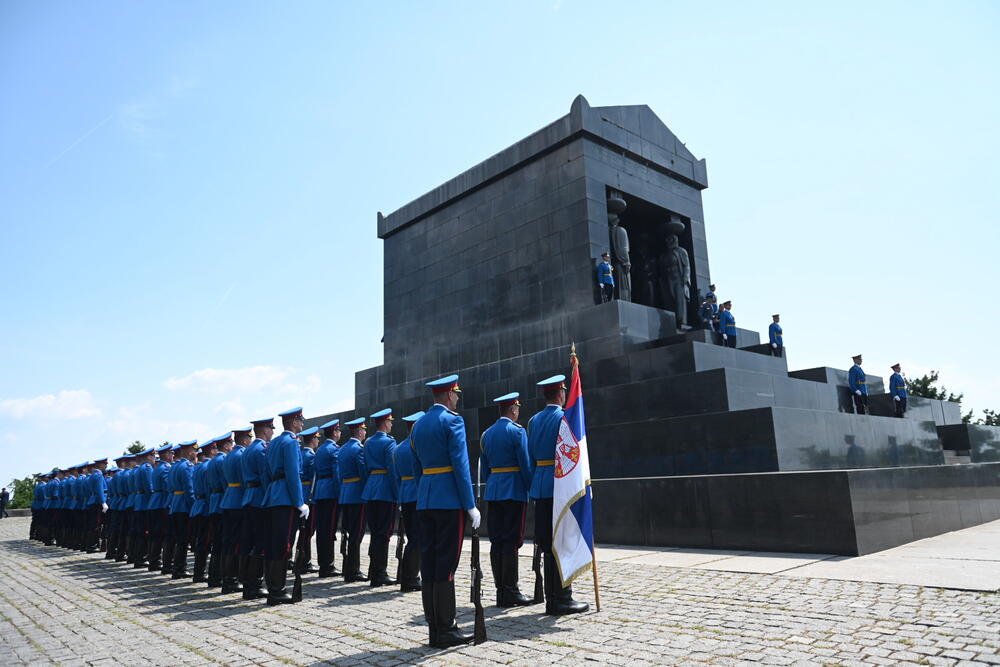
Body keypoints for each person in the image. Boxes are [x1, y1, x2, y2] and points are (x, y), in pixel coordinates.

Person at [409, 374, 479, 648]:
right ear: (449, 395)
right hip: (449, 500)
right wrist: (470, 504)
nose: (458, 399)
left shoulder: (417, 427)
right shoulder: (453, 421)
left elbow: (416, 468)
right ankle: (447, 627)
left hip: (425, 500)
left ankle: (434, 627)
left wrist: (424, 492)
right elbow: (461, 466)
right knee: (447, 565)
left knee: (429, 564)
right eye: (456, 394)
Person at [528, 374, 589, 616]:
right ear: (561, 394)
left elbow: (531, 453)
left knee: (547, 544)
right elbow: (569, 455)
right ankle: (562, 598)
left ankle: (551, 597)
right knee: (560, 542)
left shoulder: (533, 421)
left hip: (540, 485)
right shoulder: (564, 418)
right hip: (559, 485)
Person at [480, 392, 533, 608]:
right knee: (512, 541)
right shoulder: (517, 432)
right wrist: (531, 489)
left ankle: (501, 589)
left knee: (498, 541)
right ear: (513, 410)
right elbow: (525, 464)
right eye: (517, 409)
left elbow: (485, 468)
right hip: (514, 490)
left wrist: (491, 485)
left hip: (494, 490)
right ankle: (510, 591)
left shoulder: (487, 435)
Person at [262, 407, 309, 605]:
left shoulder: (274, 443)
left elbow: (266, 473)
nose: (303, 423)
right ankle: (277, 590)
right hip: (285, 498)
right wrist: (299, 502)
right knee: (283, 545)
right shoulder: (291, 443)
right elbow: (292, 475)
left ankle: (273, 587)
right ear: (294, 423)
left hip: (273, 495)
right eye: (301, 420)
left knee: (273, 544)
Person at [363, 408, 398, 587]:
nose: (392, 424)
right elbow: (392, 470)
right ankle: (380, 573)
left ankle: (373, 569)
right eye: (390, 421)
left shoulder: (368, 442)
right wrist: (397, 493)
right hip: (385, 489)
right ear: (385, 423)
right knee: (384, 534)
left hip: (371, 488)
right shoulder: (389, 443)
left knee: (375, 532)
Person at [240, 418, 274, 600]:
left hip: (249, 497)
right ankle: (254, 584)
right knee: (260, 542)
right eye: (271, 428)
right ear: (264, 430)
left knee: (249, 542)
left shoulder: (248, 450)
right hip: (260, 497)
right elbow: (265, 476)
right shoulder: (261, 450)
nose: (272, 432)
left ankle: (247, 582)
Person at [393, 411, 424, 592]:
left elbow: (396, 477)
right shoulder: (416, 446)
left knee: (412, 537)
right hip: (418, 494)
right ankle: (410, 577)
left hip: (405, 494)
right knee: (417, 539)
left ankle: (408, 575)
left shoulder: (398, 448)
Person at [338, 417, 369, 582]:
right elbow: (363, 472)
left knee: (349, 532)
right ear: (359, 431)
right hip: (357, 494)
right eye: (364, 429)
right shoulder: (358, 449)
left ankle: (347, 566)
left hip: (346, 493)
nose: (365, 432)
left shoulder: (343, 449)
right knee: (357, 533)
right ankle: (353, 570)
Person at [221, 426, 250, 593]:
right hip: (238, 499)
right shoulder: (240, 455)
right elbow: (244, 479)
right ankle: (232, 578)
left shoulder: (230, 455)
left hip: (228, 498)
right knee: (237, 541)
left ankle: (228, 578)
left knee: (229, 540)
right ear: (245, 440)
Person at [314, 419, 342, 578]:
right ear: (335, 432)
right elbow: (336, 474)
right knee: (330, 529)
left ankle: (323, 563)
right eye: (338, 430)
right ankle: (328, 565)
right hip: (331, 491)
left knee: (322, 529)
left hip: (320, 490)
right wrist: (339, 493)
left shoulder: (320, 449)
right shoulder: (333, 450)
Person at [206, 433, 233, 589]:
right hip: (223, 500)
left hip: (214, 501)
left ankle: (213, 575)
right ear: (226, 446)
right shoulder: (222, 460)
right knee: (224, 541)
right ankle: (221, 576)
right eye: (230, 444)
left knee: (216, 542)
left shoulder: (211, 462)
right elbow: (226, 482)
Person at [169, 441, 197, 578]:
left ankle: (177, 567)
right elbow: (189, 490)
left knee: (179, 538)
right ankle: (180, 568)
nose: (195, 453)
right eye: (194, 450)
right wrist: (193, 508)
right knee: (183, 539)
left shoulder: (175, 466)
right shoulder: (187, 467)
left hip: (175, 504)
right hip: (184, 506)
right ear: (189, 451)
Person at [294, 425, 320, 573]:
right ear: (313, 440)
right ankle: (304, 561)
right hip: (309, 495)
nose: (318, 441)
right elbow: (313, 478)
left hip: (300, 493)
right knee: (308, 531)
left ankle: (300, 559)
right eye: (317, 438)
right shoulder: (311, 456)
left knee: (301, 530)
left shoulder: (300, 454)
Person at [190, 441, 217, 583]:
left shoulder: (199, 467)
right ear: (212, 451)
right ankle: (199, 573)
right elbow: (209, 489)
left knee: (201, 541)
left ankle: (198, 571)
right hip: (206, 506)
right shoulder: (207, 467)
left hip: (198, 505)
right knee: (205, 542)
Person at [148, 444, 174, 574]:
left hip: (155, 502)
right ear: (166, 455)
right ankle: (159, 562)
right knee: (164, 534)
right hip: (162, 502)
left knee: (156, 534)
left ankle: (154, 560)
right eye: (171, 453)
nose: (173, 456)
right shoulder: (165, 468)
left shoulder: (157, 467)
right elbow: (167, 487)